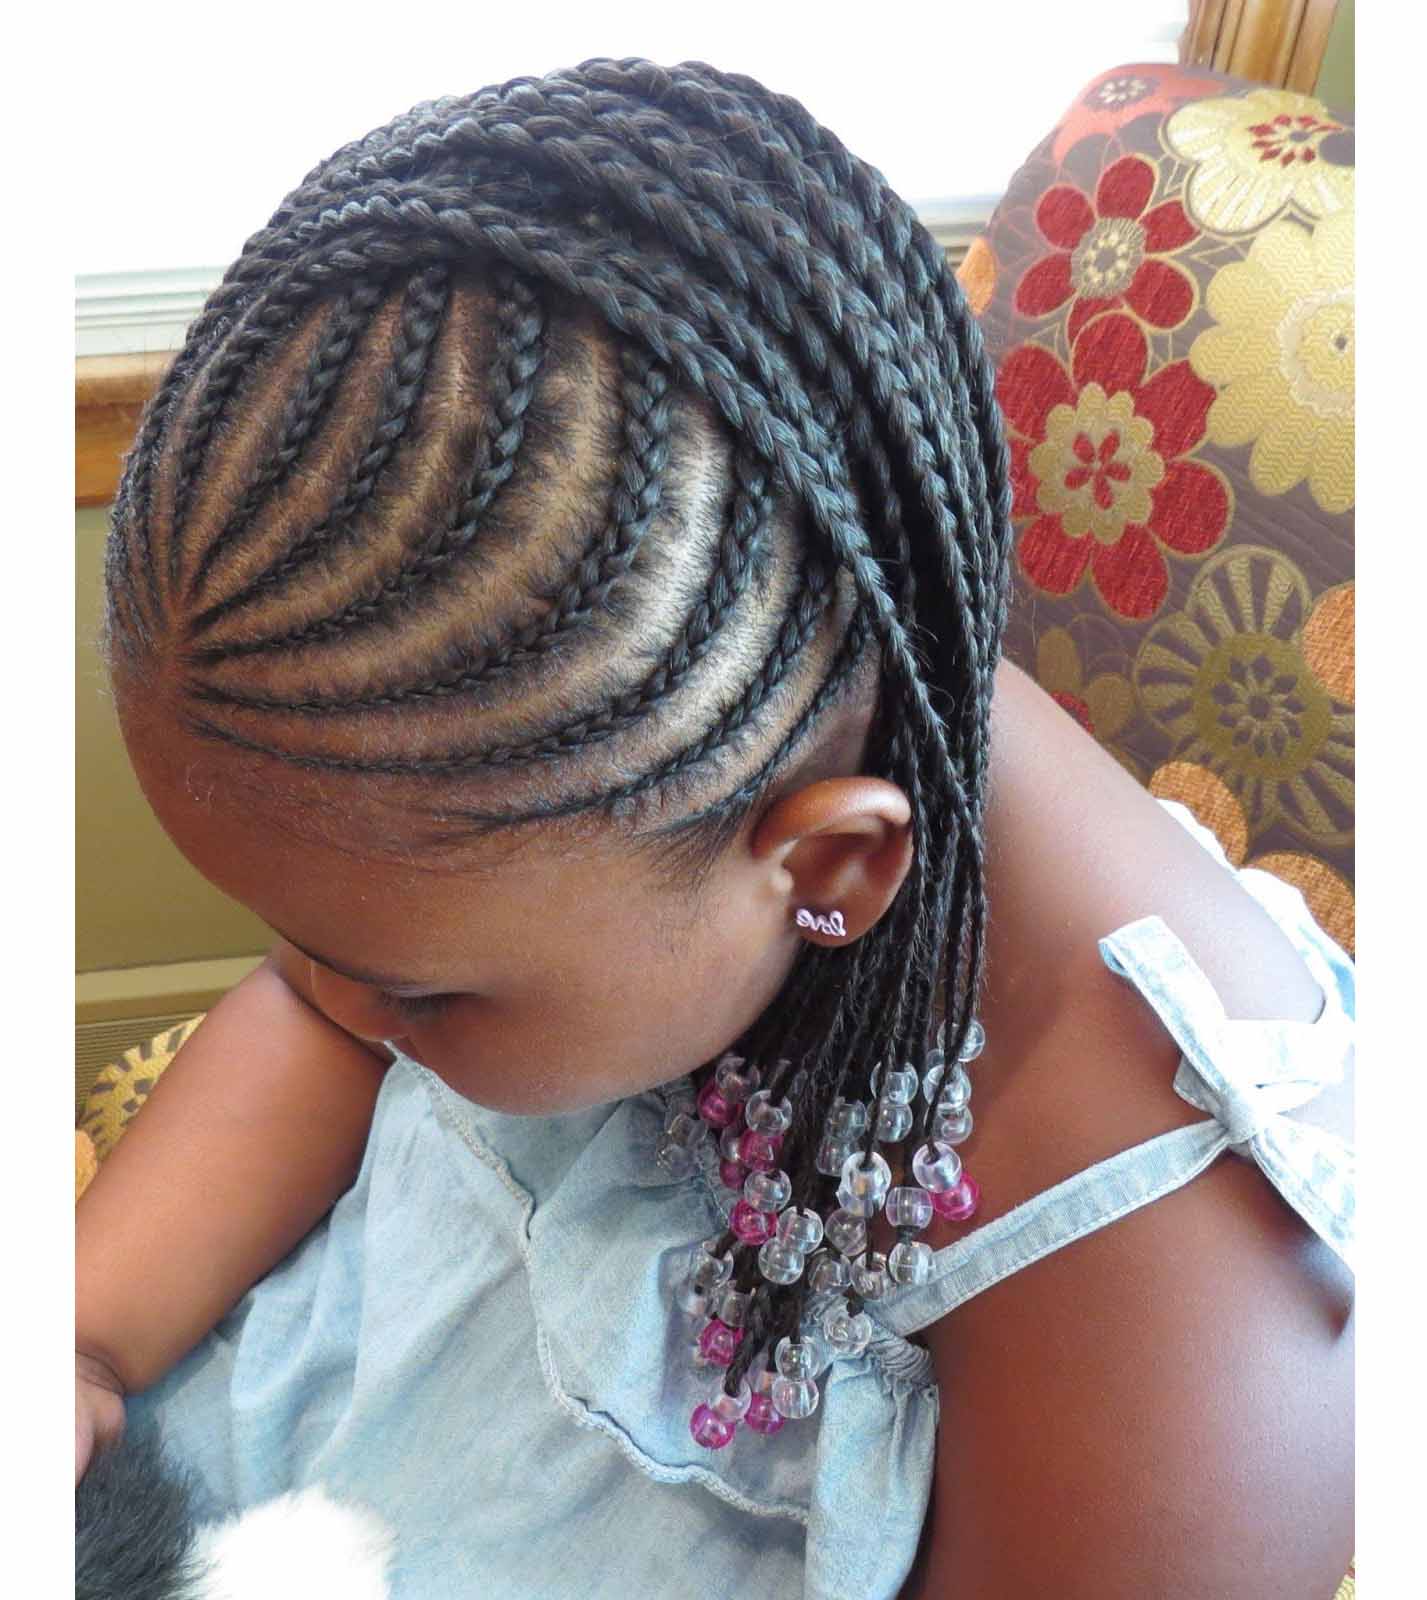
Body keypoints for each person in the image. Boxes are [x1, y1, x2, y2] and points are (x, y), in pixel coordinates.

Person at [76, 57, 1355, 1598]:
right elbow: (320, 1019)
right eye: (311, 946)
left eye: (415, 991)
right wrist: (74, 1344)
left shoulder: (1180, 1307)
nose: (319, 990)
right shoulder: (635, 784)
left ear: (826, 871)